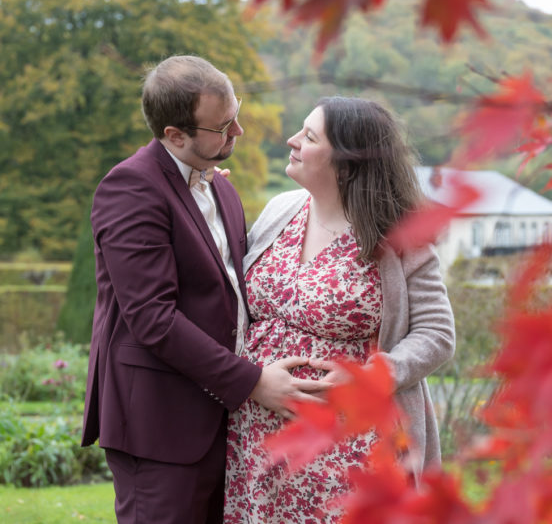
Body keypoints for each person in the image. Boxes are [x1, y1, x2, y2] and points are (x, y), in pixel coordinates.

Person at [81, 55, 330, 524]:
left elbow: (233, 292)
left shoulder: (222, 189)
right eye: (222, 126)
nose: (238, 132)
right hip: (160, 422)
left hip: (224, 420)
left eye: (237, 114)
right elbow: (154, 320)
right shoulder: (130, 188)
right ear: (175, 136)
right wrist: (253, 382)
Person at [224, 97, 456, 523]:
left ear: (346, 164)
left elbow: (437, 334)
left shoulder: (398, 236)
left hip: (348, 446)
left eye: (310, 136)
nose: (292, 141)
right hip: (255, 438)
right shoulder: (281, 209)